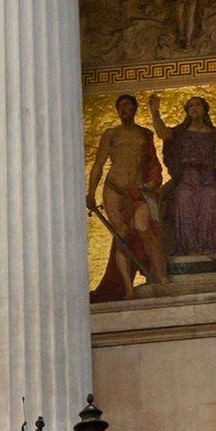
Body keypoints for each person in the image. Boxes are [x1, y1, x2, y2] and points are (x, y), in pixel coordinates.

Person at [90, 94, 168, 298]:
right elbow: (98, 164)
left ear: (134, 109)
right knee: (121, 236)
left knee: (145, 228)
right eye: (120, 106)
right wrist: (90, 192)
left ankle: (160, 275)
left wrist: (152, 183)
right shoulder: (111, 134)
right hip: (114, 189)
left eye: (127, 105)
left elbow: (152, 163)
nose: (123, 109)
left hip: (137, 190)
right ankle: (128, 288)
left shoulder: (145, 134)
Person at [161, 94, 216, 272]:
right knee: (182, 197)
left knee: (210, 197)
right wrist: (155, 112)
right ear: (187, 112)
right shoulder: (180, 133)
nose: (194, 108)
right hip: (188, 177)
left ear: (204, 109)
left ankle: (210, 246)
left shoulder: (214, 134)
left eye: (197, 105)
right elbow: (164, 134)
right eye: (190, 106)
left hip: (209, 177)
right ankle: (188, 248)